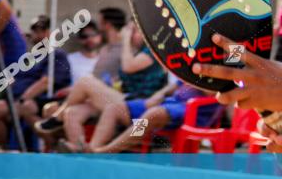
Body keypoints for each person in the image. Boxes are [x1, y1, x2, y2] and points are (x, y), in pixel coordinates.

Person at [36, 23, 168, 151]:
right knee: (72, 113)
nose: (132, 35)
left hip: (139, 104)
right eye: (131, 31)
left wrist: (126, 39)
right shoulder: (135, 51)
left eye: (136, 31)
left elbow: (129, 67)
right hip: (123, 100)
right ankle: (80, 150)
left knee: (85, 81)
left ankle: (57, 118)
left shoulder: (153, 50)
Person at [0, 15, 71, 148]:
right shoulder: (29, 57)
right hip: (11, 100)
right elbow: (10, 79)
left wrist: (20, 101)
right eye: (35, 30)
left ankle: (5, 152)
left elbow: (45, 82)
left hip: (32, 102)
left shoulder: (57, 55)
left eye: (42, 30)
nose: (38, 35)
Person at [86, 80, 220, 153]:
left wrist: (197, 74)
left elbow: (213, 92)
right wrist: (160, 94)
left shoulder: (232, 52)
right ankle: (92, 149)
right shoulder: (198, 52)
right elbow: (176, 83)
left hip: (194, 110)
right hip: (171, 102)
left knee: (153, 114)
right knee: (114, 108)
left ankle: (107, 151)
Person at [64, 20, 102, 85]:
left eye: (93, 35)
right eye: (84, 36)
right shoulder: (69, 59)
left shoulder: (106, 59)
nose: (89, 39)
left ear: (99, 37)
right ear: (79, 39)